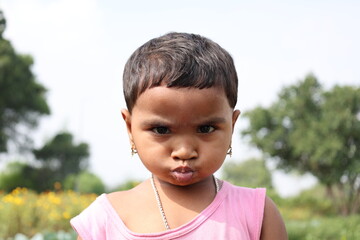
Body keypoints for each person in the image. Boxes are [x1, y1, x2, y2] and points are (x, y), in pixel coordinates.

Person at [70, 32, 288, 240]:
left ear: (232, 125)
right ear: (130, 128)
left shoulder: (258, 214)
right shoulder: (105, 220)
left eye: (206, 129)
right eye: (161, 130)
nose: (184, 151)